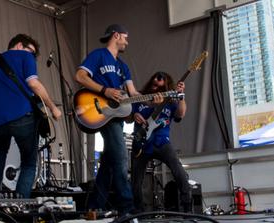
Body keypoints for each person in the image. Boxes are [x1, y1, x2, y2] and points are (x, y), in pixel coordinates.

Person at [0, 34, 61, 198]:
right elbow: (33, 84)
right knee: (28, 162)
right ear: (19, 45)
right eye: (31, 52)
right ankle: (20, 203)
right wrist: (53, 107)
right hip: (21, 116)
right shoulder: (25, 57)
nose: (32, 56)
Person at [74, 24, 140, 215]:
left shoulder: (123, 66)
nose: (127, 42)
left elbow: (133, 93)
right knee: (120, 159)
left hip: (116, 117)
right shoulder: (98, 55)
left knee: (109, 163)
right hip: (102, 112)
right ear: (116, 35)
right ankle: (128, 209)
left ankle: (95, 206)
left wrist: (154, 99)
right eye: (125, 38)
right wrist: (105, 90)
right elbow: (80, 75)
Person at [131, 71, 191, 213]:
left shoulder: (170, 101)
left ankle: (187, 207)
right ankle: (139, 212)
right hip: (142, 144)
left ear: (166, 86)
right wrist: (134, 114)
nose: (155, 83)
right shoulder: (139, 97)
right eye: (154, 80)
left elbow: (180, 114)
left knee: (179, 172)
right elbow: (127, 117)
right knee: (136, 180)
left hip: (162, 142)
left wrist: (181, 95)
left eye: (160, 82)